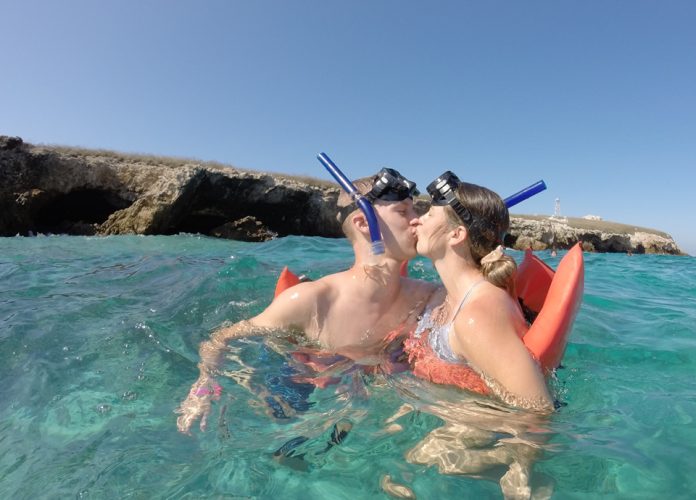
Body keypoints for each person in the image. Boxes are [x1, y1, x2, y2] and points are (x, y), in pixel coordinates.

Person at [176, 168, 437, 433]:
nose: (418, 220)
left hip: (363, 384)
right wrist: (204, 388)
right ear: (363, 224)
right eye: (404, 212)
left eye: (415, 211)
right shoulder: (310, 301)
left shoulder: (429, 296)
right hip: (303, 377)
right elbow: (221, 339)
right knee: (281, 421)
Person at [406, 171, 554, 411]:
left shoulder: (478, 317)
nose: (416, 220)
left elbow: (537, 414)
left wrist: (457, 433)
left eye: (429, 214)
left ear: (456, 235)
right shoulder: (446, 296)